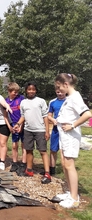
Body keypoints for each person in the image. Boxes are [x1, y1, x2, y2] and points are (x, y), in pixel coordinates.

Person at [53, 73, 91, 208]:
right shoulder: (70, 97)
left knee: (69, 165)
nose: (59, 90)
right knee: (64, 164)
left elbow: (87, 114)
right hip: (64, 134)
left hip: (70, 135)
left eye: (59, 87)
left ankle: (74, 198)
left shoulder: (75, 97)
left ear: (66, 84)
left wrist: (72, 125)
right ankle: (70, 192)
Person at [13, 82, 51, 184]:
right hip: (28, 130)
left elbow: (45, 117)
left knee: (42, 151)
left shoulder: (41, 101)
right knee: (29, 150)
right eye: (29, 89)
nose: (31, 91)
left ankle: (47, 173)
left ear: (36, 91)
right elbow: (23, 116)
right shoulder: (23, 102)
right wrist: (18, 124)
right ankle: (29, 170)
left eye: (33, 89)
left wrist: (47, 131)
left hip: (40, 130)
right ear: (26, 90)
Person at [5, 82, 26, 173]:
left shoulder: (21, 99)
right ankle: (14, 163)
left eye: (17, 92)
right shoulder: (6, 101)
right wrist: (9, 126)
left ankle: (24, 163)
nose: (16, 94)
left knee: (23, 145)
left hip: (23, 124)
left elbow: (25, 113)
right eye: (14, 92)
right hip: (13, 125)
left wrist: (21, 125)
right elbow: (5, 115)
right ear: (9, 91)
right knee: (14, 145)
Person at [47, 88, 66, 176]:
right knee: (53, 150)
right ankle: (52, 170)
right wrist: (53, 120)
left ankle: (66, 171)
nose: (60, 94)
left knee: (64, 151)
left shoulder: (69, 101)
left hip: (66, 129)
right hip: (56, 129)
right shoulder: (53, 102)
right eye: (58, 92)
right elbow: (49, 115)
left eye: (61, 92)